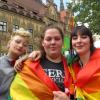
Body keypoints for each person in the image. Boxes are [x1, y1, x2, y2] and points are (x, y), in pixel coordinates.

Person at [10, 25, 70, 100]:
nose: (53, 42)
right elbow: (17, 93)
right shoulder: (28, 65)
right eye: (48, 39)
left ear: (62, 42)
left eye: (57, 39)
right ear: (43, 43)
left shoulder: (72, 66)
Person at [0, 28, 40, 100]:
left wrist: (25, 57)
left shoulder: (25, 64)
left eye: (25, 45)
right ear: (9, 44)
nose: (21, 46)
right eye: (17, 42)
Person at [68, 25, 100, 99]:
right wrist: (40, 53)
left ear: (91, 41)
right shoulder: (72, 64)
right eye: (75, 38)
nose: (79, 41)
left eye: (84, 37)